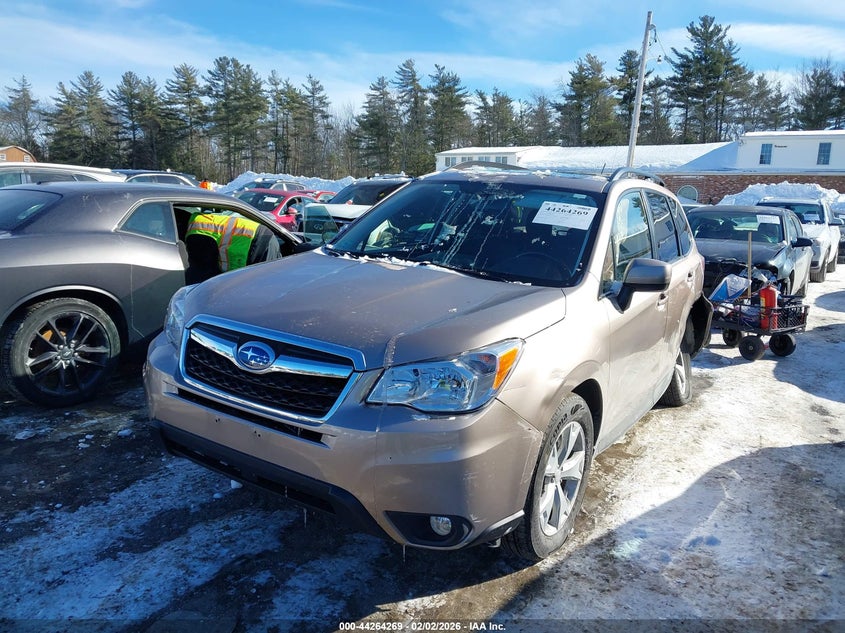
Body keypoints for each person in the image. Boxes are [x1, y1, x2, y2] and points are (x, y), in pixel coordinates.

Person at [184, 211, 280, 283]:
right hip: (258, 237)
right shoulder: (197, 224)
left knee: (263, 285)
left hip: (260, 241)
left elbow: (203, 273)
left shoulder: (198, 233)